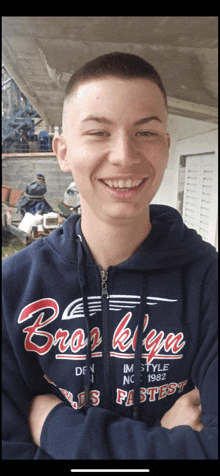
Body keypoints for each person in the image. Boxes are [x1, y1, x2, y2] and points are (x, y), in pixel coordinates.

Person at [2, 52, 217, 460]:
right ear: (63, 152)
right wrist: (162, 441)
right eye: (99, 133)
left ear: (167, 147)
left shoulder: (209, 282)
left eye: (145, 133)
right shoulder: (12, 288)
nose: (124, 155)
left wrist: (52, 425)